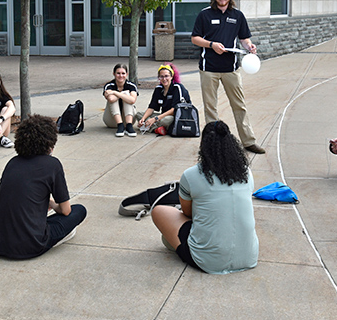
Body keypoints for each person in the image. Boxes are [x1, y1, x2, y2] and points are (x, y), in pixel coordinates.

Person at [152, 120, 259, 274]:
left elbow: (188, 214)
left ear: (203, 146)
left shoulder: (191, 175)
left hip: (208, 262)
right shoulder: (246, 172)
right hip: (249, 257)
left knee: (159, 212)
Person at [0, 114, 87, 259]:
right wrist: (51, 203)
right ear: (50, 142)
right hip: (31, 246)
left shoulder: (12, 163)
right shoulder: (52, 165)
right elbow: (65, 210)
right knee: (79, 210)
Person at [190, 0, 265, 154]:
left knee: (239, 105)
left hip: (231, 69)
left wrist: (249, 46)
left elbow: (244, 38)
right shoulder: (205, 14)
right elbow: (195, 38)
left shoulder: (237, 16)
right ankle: (212, 145)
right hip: (209, 69)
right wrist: (211, 45)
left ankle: (248, 141)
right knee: (211, 109)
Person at [137, 63, 190, 134]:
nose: (164, 79)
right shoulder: (158, 89)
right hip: (162, 115)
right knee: (139, 114)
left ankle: (151, 127)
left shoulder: (177, 88)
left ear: (172, 77)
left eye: (166, 76)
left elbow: (174, 109)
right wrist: (143, 119)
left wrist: (155, 119)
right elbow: (152, 107)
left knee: (165, 120)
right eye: (161, 77)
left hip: (175, 116)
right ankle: (157, 129)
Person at [102, 63, 139, 137]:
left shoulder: (131, 85)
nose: (121, 76)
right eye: (118, 73)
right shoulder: (109, 85)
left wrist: (115, 92)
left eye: (123, 73)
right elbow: (111, 99)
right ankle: (120, 125)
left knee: (127, 97)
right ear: (114, 74)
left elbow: (132, 100)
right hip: (111, 121)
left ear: (127, 74)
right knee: (124, 95)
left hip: (129, 120)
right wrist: (123, 93)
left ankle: (129, 126)